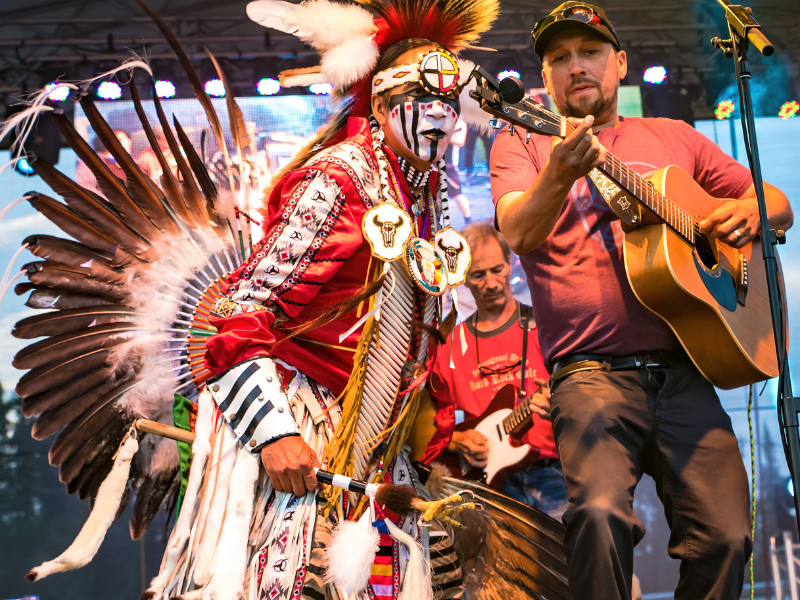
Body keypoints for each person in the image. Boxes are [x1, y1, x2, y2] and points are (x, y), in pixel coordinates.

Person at [489, 2, 793, 599]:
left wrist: (748, 212)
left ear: (620, 63)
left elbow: (778, 202)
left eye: (590, 53)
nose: (577, 67)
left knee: (728, 538)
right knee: (600, 517)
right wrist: (558, 173)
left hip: (687, 370)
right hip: (589, 375)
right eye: (560, 58)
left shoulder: (675, 137)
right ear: (544, 79)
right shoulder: (521, 140)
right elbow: (519, 233)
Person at [423, 220, 568, 519]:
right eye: (478, 274)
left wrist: (563, 401)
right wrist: (454, 440)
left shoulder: (548, 327)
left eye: (497, 270)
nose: (491, 283)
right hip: (485, 488)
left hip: (555, 475)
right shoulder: (448, 345)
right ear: (463, 276)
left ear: (511, 263)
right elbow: (426, 422)